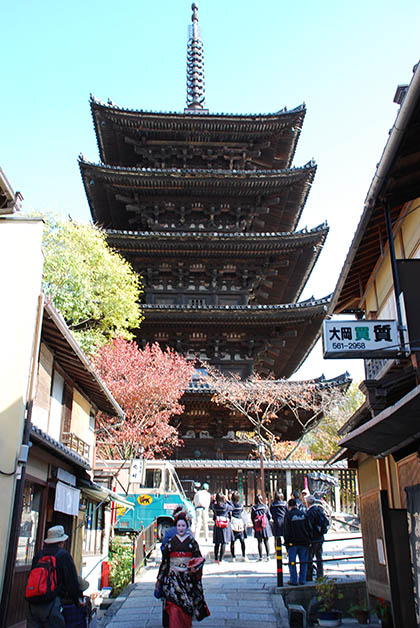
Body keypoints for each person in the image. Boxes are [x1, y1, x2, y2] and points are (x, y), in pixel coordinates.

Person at [155, 515, 209, 627]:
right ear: (176, 527)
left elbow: (199, 559)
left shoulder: (192, 543)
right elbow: (165, 562)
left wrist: (194, 568)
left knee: (186, 606)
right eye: (179, 525)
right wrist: (160, 579)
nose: (181, 528)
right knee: (174, 606)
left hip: (187, 578)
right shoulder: (171, 543)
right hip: (173, 577)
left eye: (183, 525)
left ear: (187, 527)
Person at [26, 525, 84, 628]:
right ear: (61, 542)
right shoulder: (63, 556)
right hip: (52, 602)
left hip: (33, 603)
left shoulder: (39, 555)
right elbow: (71, 582)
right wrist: (77, 599)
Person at [283, 498, 312, 585]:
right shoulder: (303, 514)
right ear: (296, 505)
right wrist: (309, 539)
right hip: (303, 541)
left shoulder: (288, 515)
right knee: (303, 562)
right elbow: (309, 527)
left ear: (289, 506)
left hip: (292, 543)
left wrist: (287, 542)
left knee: (292, 562)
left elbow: (286, 530)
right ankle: (302, 579)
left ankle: (294, 580)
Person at [306, 494, 327, 581]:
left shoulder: (310, 512)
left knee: (309, 557)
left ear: (308, 503)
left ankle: (309, 575)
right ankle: (320, 574)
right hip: (320, 537)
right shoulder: (319, 510)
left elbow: (309, 526)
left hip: (313, 538)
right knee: (319, 556)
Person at [210, 492, 233, 564]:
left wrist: (213, 500)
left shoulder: (215, 506)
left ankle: (216, 559)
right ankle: (221, 559)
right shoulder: (226, 506)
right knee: (223, 542)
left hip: (217, 524)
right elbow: (232, 507)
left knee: (217, 543)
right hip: (224, 525)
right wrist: (228, 500)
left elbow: (211, 506)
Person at [251, 494, 273, 561]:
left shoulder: (254, 508)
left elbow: (252, 517)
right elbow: (269, 516)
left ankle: (260, 557)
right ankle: (268, 556)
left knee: (259, 541)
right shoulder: (265, 506)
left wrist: (254, 525)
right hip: (265, 525)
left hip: (258, 526)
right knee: (266, 541)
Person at [229, 491, 248, 562]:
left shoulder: (231, 505)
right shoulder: (240, 505)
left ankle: (233, 556)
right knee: (242, 541)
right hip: (240, 523)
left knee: (232, 541)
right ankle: (243, 555)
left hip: (233, 523)